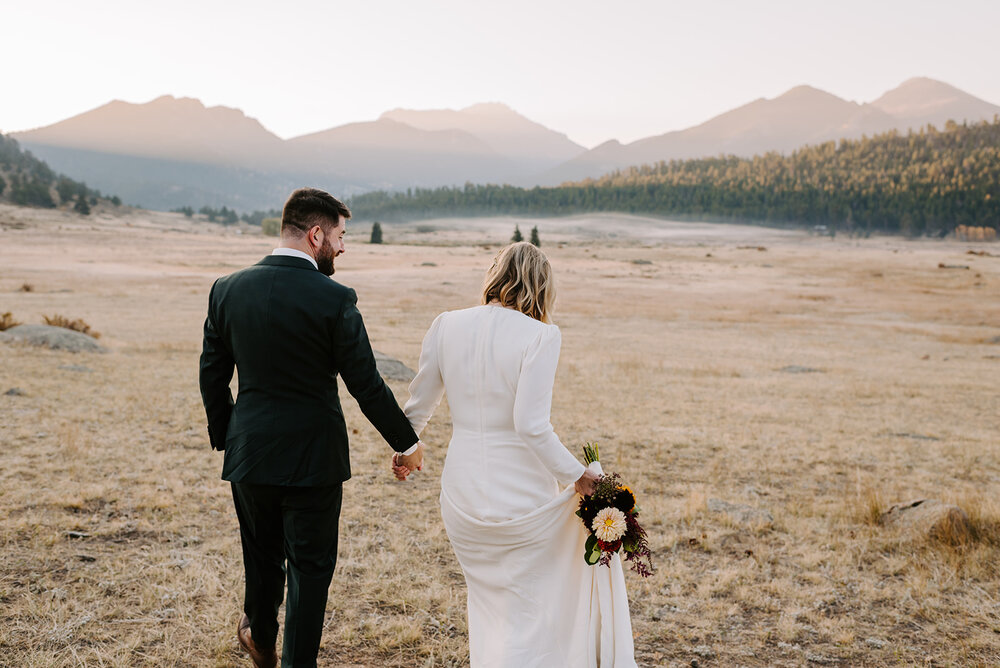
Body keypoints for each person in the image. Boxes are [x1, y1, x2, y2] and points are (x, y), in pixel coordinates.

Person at [199, 187, 424, 668]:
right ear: (316, 234)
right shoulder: (335, 298)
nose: (343, 248)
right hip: (314, 462)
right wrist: (407, 443)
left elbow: (212, 375)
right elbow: (366, 384)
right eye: (341, 236)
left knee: (260, 556)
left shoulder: (226, 288)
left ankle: (260, 636)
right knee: (310, 569)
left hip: (249, 455)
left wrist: (229, 439)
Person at [395, 242, 637, 667]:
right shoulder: (541, 335)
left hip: (462, 495)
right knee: (534, 606)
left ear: (496, 274)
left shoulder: (446, 325)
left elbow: (419, 405)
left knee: (490, 604)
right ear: (541, 287)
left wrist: (404, 449)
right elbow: (530, 425)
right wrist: (578, 477)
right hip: (521, 496)